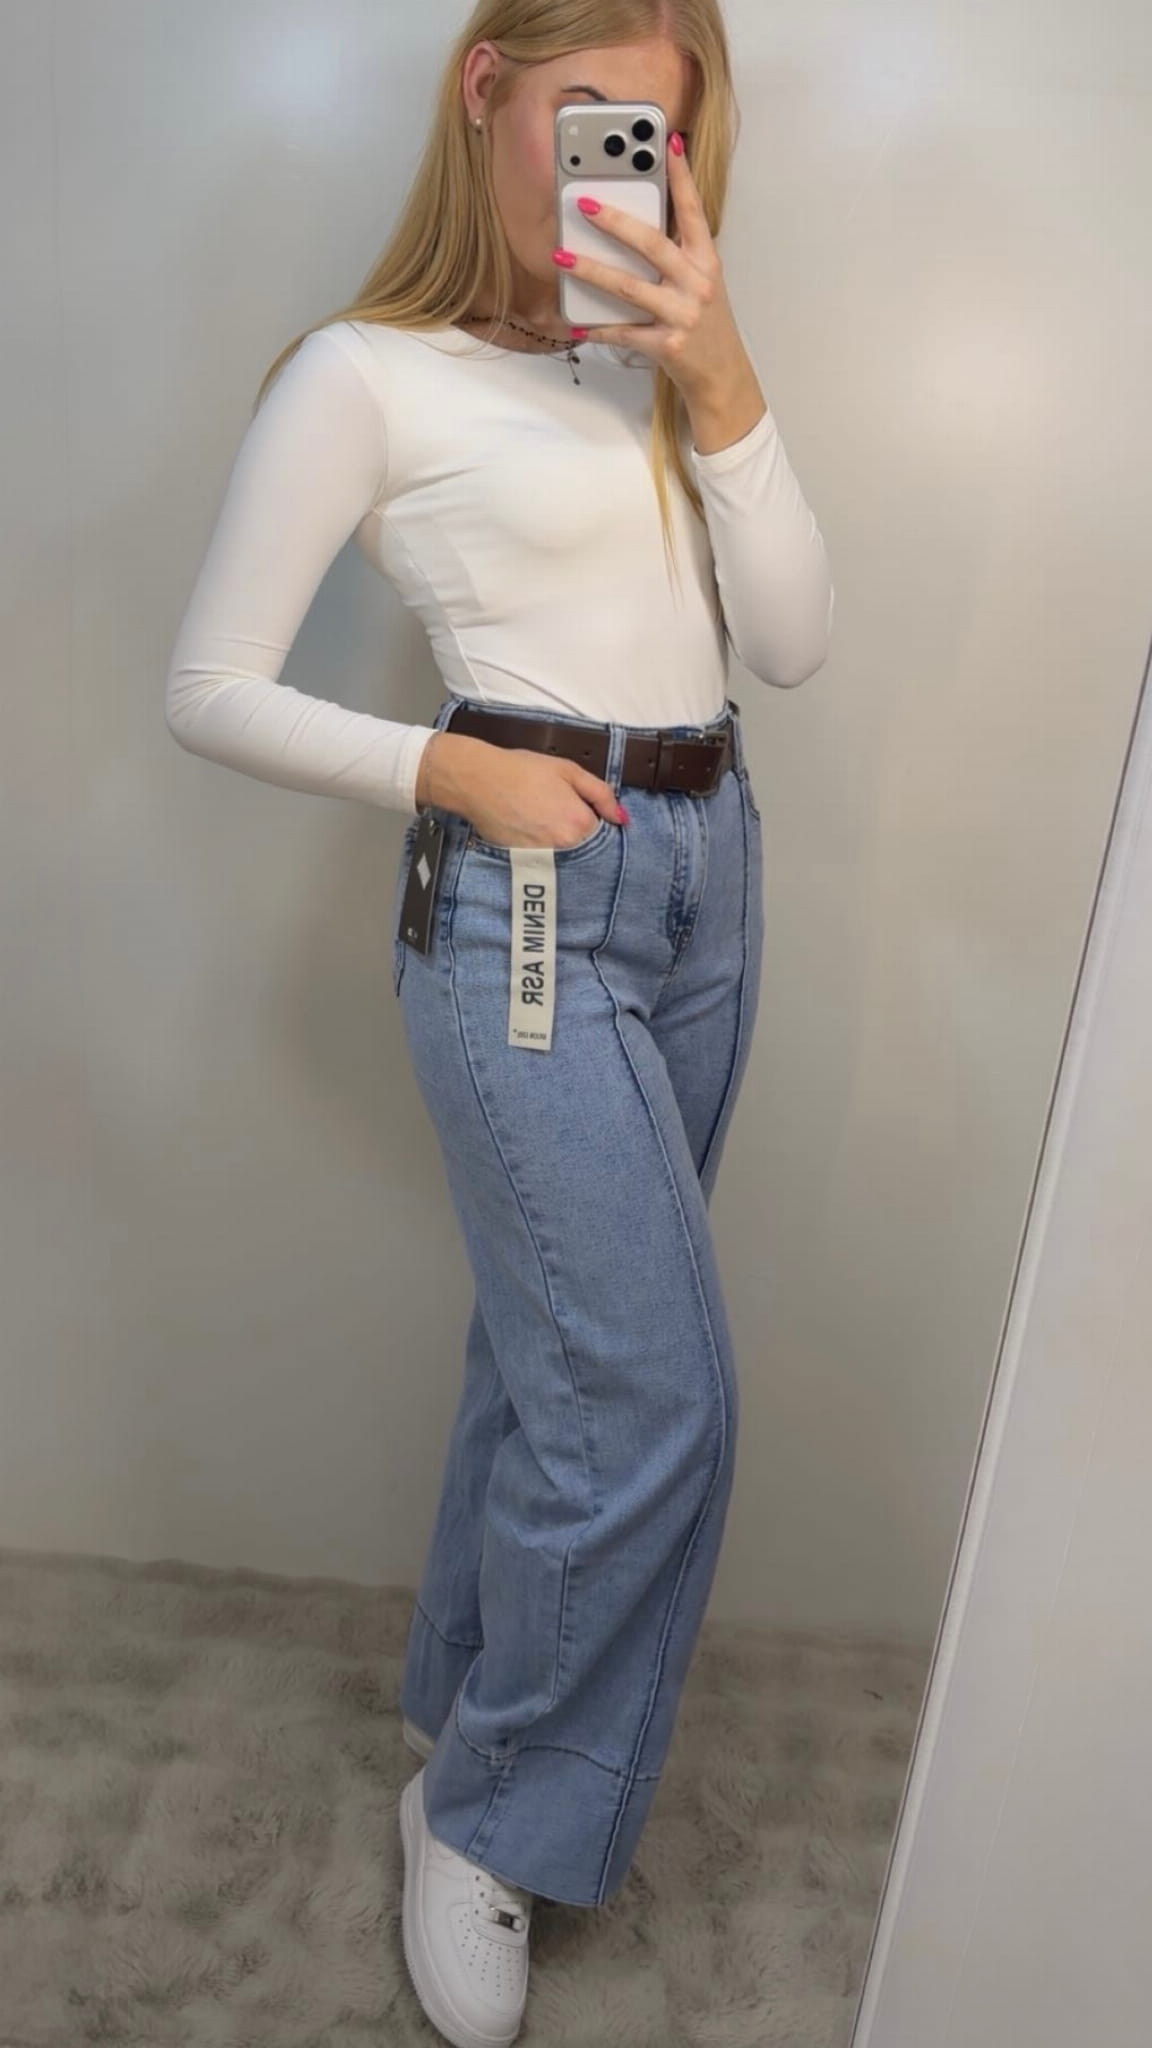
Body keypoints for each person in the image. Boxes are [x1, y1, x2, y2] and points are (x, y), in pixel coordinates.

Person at [165, 5, 834, 2043]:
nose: (632, 159)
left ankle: (455, 1711)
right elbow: (210, 686)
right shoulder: (365, 374)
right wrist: (450, 769)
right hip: (530, 890)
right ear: (487, 92)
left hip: (709, 878)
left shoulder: (656, 367)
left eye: (666, 131)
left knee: (553, 1361)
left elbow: (792, 640)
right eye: (593, 113)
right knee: (652, 1399)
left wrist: (721, 376)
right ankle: (489, 1816)